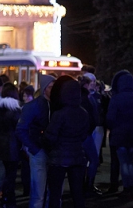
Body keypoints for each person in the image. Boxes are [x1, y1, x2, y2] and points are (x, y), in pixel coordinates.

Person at [44, 76, 89, 208]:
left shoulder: (59, 114)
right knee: (77, 194)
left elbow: (50, 137)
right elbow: (84, 134)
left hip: (59, 157)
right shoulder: (83, 113)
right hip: (78, 155)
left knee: (55, 193)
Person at [16, 73, 55, 208]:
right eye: (50, 87)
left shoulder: (57, 105)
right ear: (44, 88)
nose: (53, 90)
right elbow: (21, 129)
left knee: (53, 192)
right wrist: (34, 148)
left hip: (54, 152)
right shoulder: (33, 106)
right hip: (39, 151)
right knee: (38, 193)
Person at [106, 69, 133, 199]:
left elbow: (110, 118)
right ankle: (132, 186)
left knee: (123, 162)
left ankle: (127, 187)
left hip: (119, 133)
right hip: (132, 134)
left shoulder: (116, 98)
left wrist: (112, 128)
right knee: (130, 162)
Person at [0, 82, 22, 208]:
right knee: (11, 174)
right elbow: (18, 128)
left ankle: (5, 198)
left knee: (6, 171)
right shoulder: (15, 110)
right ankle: (9, 199)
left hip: (1, 143)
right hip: (13, 144)